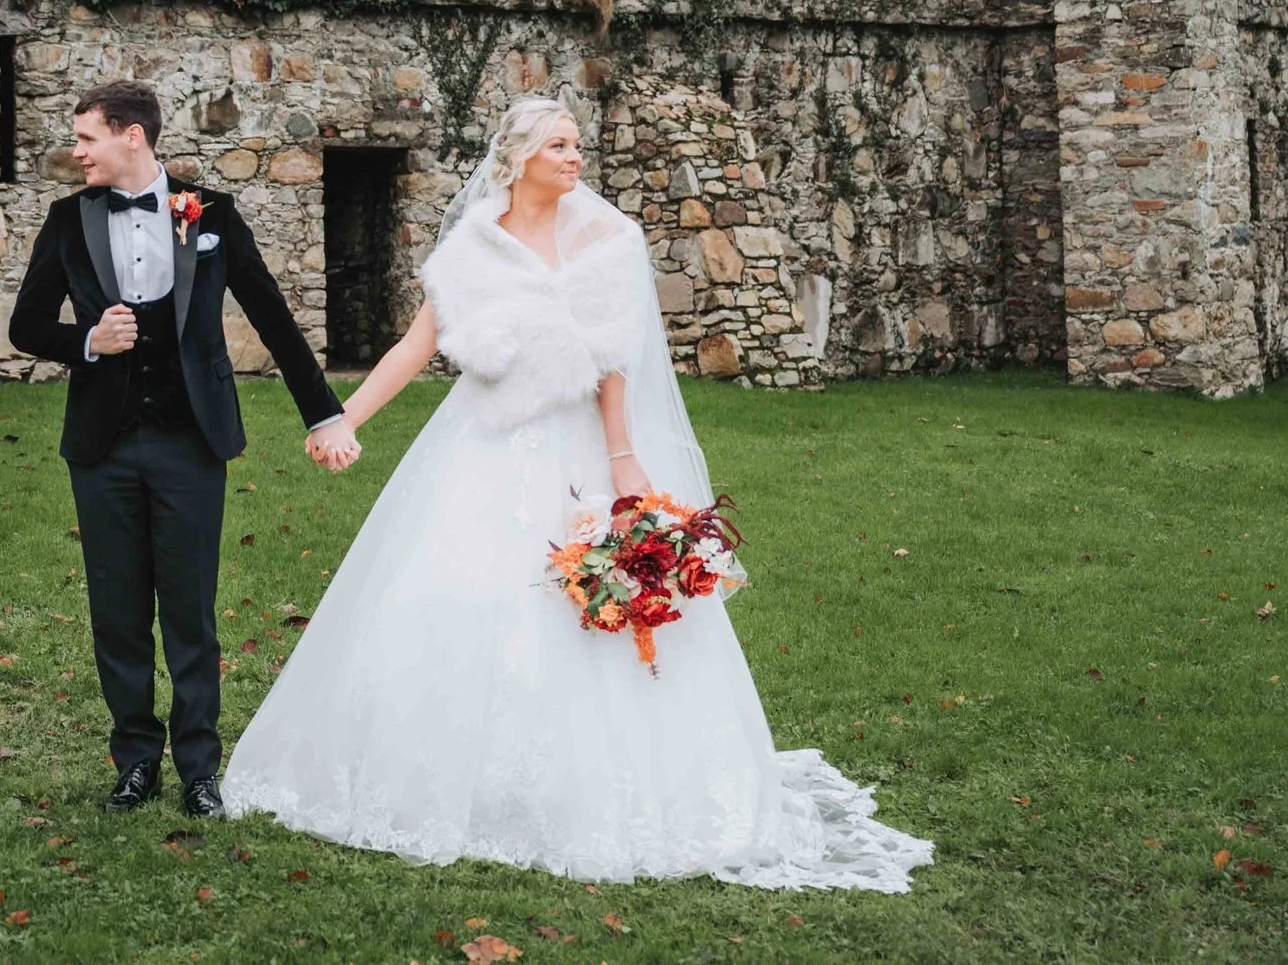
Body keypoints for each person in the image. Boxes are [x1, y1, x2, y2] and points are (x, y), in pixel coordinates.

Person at [220, 96, 936, 890]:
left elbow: (615, 357)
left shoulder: (607, 240)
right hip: (482, 440)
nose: (575, 157)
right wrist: (339, 416)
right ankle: (451, 775)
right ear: (519, 155)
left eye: (577, 144)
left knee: (585, 603)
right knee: (458, 593)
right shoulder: (474, 244)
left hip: (578, 448)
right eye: (558, 144)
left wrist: (624, 458)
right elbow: (417, 344)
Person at [8, 80, 352, 819]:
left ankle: (200, 768)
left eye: (86, 137)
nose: (75, 151)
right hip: (101, 445)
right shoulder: (68, 220)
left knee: (190, 609)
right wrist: (88, 342)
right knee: (118, 610)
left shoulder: (212, 213)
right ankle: (135, 760)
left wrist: (324, 413)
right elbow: (26, 325)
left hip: (192, 439)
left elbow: (272, 314)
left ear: (132, 135)